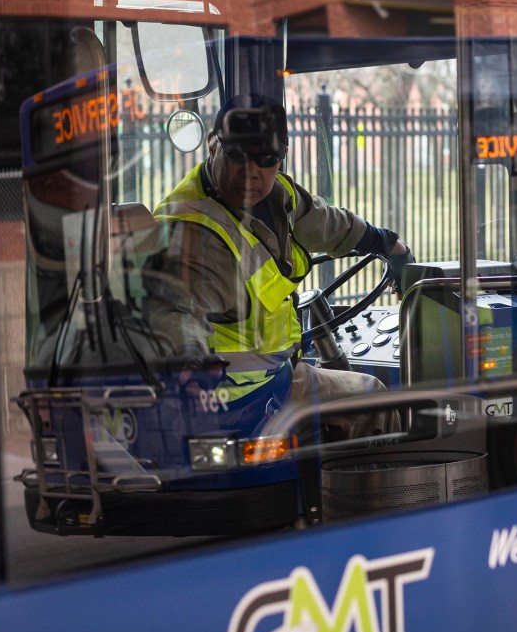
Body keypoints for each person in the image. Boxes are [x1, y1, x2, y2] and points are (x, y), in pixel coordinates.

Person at [147, 94, 414, 439]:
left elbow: (327, 223)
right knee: (372, 399)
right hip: (230, 401)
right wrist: (188, 361)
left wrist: (391, 246)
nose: (251, 171)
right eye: (238, 155)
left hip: (275, 377)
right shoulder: (190, 230)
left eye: (266, 158)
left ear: (281, 157)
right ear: (212, 145)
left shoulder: (276, 198)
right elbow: (175, 311)